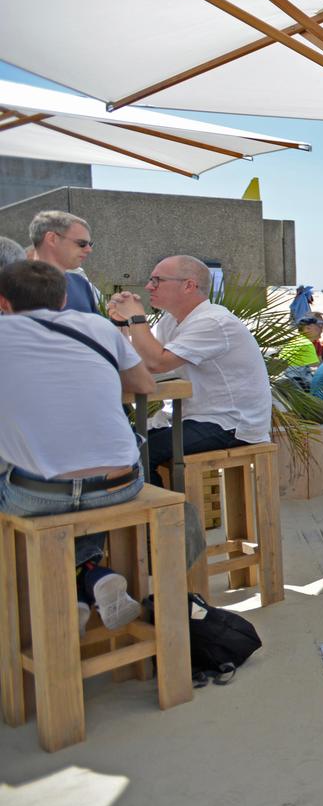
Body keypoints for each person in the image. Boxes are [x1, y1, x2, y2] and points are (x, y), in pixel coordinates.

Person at [0, 260, 152, 631]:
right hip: (119, 487)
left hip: (37, 495)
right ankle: (89, 579)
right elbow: (145, 385)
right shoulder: (98, 326)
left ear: (3, 302)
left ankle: (36, 612)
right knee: (84, 484)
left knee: (34, 480)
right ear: (65, 297)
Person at [106, 254, 272, 480]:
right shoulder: (170, 320)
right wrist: (122, 324)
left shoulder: (212, 322)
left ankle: (165, 513)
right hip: (194, 417)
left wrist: (137, 318)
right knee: (121, 444)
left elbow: (157, 363)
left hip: (229, 423)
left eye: (157, 280)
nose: (148, 286)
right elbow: (138, 361)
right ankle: (161, 508)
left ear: (188, 286)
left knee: (137, 454)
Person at [28, 210, 101, 314]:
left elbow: (95, 329)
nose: (89, 250)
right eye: (82, 243)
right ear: (52, 239)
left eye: (90, 244)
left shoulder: (80, 283)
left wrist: (119, 320)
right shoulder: (14, 283)